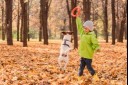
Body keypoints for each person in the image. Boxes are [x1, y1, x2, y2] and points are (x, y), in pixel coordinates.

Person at [76, 17, 100, 81]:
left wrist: (97, 48)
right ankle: (79, 78)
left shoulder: (92, 36)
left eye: (86, 28)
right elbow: (79, 27)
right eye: (84, 28)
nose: (84, 29)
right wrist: (78, 18)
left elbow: (95, 43)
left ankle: (95, 77)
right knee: (81, 67)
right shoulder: (82, 34)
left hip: (88, 56)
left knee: (89, 67)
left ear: (90, 29)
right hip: (83, 55)